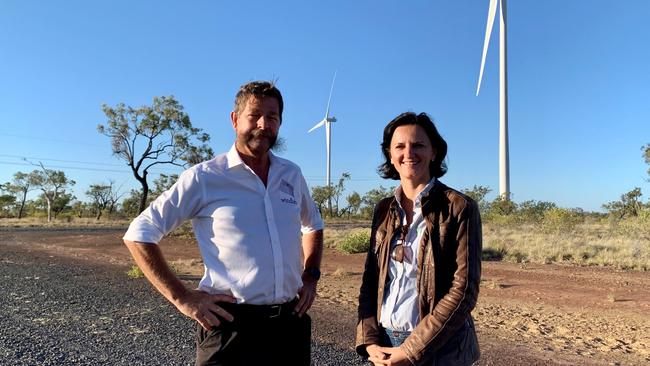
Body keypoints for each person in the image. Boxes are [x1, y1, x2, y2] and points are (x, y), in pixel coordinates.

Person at [123, 81, 324, 366]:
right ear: (235, 119)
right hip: (231, 326)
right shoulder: (205, 178)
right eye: (254, 115)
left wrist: (311, 276)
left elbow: (313, 225)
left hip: (289, 325)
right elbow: (139, 233)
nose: (264, 125)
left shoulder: (291, 175)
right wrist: (182, 297)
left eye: (273, 117)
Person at [356, 112, 482, 366]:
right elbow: (371, 280)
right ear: (390, 156)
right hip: (384, 344)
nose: (409, 152)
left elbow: (464, 291)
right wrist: (369, 341)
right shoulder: (383, 210)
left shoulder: (459, 207)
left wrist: (411, 350)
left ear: (434, 152)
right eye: (400, 146)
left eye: (418, 145)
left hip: (440, 349)